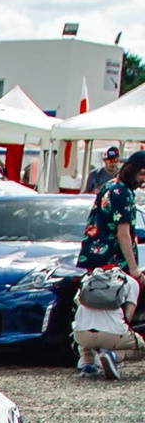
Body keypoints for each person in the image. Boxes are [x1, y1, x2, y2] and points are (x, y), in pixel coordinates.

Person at [73, 147, 145, 381]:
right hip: (113, 259)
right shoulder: (124, 193)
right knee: (117, 303)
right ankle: (110, 352)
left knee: (89, 303)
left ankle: (86, 360)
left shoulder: (108, 186)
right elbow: (123, 233)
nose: (143, 180)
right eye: (142, 174)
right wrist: (133, 268)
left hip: (94, 256)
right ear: (131, 170)